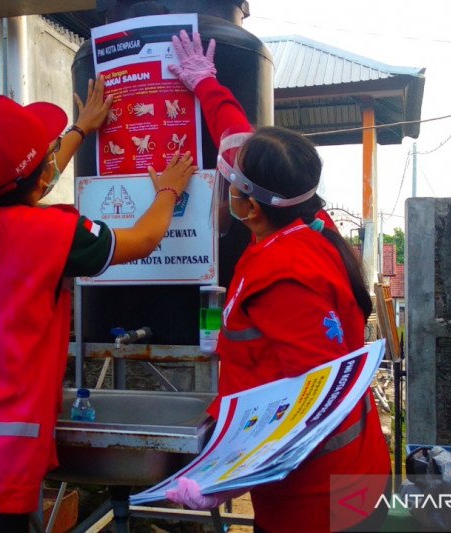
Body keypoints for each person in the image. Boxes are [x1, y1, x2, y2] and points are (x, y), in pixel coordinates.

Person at [0, 77, 197, 532]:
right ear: (43, 177)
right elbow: (144, 240)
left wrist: (82, 131)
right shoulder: (53, 236)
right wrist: (169, 190)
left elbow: (28, 181)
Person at [164, 31, 391, 532]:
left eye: (231, 183)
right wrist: (205, 83)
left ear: (247, 205)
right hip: (351, 476)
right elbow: (239, 139)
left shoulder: (285, 277)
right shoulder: (309, 220)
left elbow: (309, 403)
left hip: (316, 499)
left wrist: (224, 479)